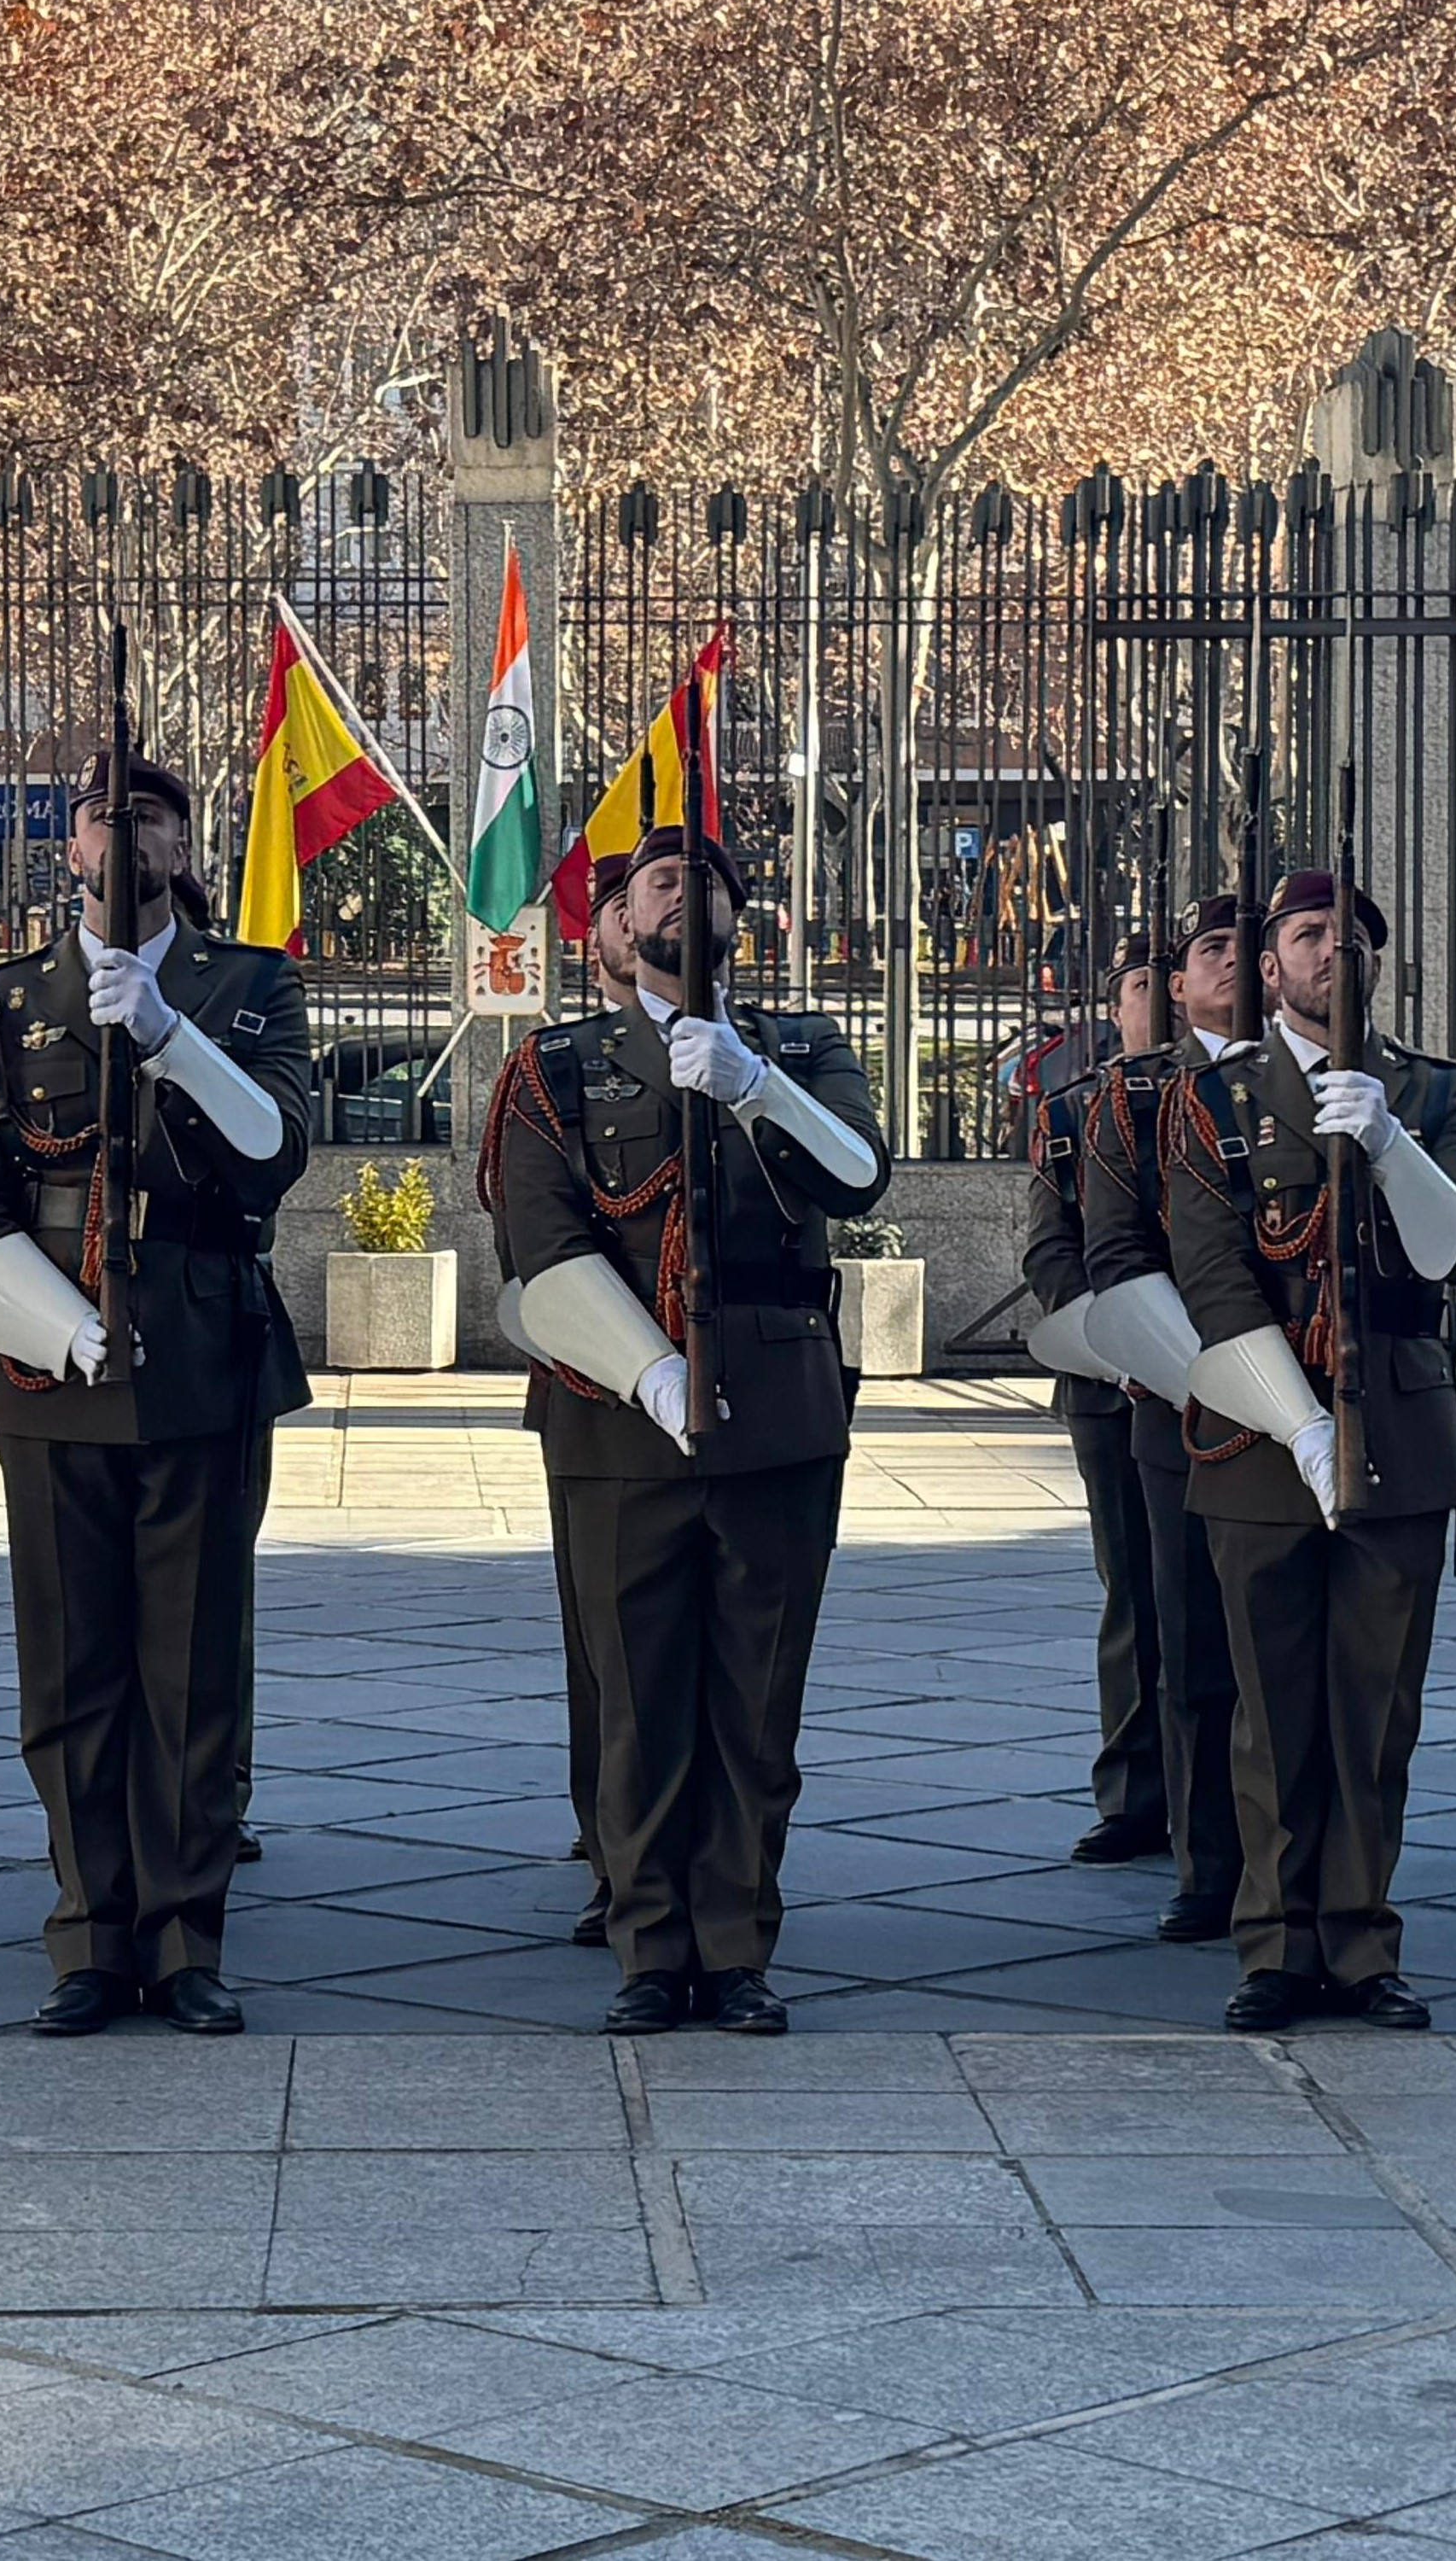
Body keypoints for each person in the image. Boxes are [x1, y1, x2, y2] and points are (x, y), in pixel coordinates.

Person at [0, 751, 314, 2037]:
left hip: (202, 1345)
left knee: (192, 1665)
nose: (125, 830)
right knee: (73, 1665)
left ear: (183, 838)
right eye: (103, 812)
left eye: (151, 812)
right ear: (71, 842)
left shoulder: (252, 984)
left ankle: (186, 1936)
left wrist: (166, 1036)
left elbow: (272, 1157)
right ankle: (91, 1936)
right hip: (50, 1362)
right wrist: (55, 1323)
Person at [487, 823, 891, 2034]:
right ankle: (649, 1947)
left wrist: (756, 1087)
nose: (683, 893)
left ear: (736, 915)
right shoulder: (557, 1068)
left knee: (755, 1703)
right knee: (640, 1695)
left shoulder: (803, 1047)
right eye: (658, 879)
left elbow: (860, 1178)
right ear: (620, 922)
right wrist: (649, 1371)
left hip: (777, 1407)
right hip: (618, 1414)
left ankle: (737, 1945)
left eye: (705, 879)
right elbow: (542, 1244)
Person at [1162, 871, 1456, 2033]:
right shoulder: (1216, 1098)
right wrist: (1295, 1423)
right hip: (1262, 1431)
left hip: (1399, 1422)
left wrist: (1392, 1140)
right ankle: (1272, 1944)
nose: (1330, 951)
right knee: (1269, 1707)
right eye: (1307, 935)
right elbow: (1207, 1272)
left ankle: (1360, 1941)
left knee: (1372, 1705)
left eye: (1352, 935)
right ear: (1267, 967)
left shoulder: (1435, 1092)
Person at [1070, 907, 1247, 1942]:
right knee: (1174, 1627)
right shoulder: (1122, 1100)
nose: (1228, 964)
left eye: (1243, 947)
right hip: (1161, 1391)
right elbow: (1100, 1244)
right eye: (1205, 953)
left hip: (1305, 1396)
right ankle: (1199, 1847)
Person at [492, 874, 650, 1948]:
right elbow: (531, 1235)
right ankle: (613, 1846)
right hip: (594, 1389)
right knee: (604, 1643)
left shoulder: (760, 1048)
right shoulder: (557, 1069)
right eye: (625, 906)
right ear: (598, 935)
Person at [1017, 942, 1173, 1884]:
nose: (1161, 1000)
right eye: (1140, 986)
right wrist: (1120, 1340)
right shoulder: (1072, 1109)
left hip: (1227, 1376)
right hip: (1110, 1384)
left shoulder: (1229, 1098)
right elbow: (1050, 1252)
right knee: (1136, 1591)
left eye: (1174, 979)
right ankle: (1133, 1790)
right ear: (1113, 1006)